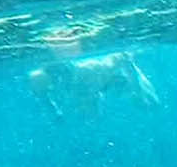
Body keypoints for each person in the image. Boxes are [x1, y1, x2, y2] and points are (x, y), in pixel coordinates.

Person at [28, 51, 160, 118]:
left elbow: (123, 57)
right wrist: (54, 110)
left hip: (111, 76)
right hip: (103, 79)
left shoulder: (92, 71)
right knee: (151, 104)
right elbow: (42, 94)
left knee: (153, 104)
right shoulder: (43, 79)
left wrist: (138, 90)